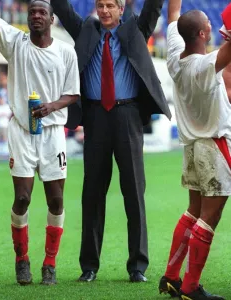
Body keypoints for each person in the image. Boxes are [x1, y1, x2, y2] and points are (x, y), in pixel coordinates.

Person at [51, 0, 171, 282]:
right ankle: (89, 266)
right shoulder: (85, 30)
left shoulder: (136, 30)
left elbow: (154, 6)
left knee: (133, 192)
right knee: (92, 193)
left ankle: (137, 267)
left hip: (128, 116)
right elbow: (60, 6)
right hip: (95, 118)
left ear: (121, 8)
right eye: (100, 5)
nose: (104, 10)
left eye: (110, 6)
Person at [0, 0, 80, 285]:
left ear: (52, 19)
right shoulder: (16, 42)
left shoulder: (66, 52)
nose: (35, 15)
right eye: (32, 11)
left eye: (41, 12)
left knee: (56, 200)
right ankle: (22, 260)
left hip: (53, 131)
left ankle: (50, 263)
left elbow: (73, 94)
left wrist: (51, 106)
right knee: (22, 198)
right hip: (22, 131)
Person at [158, 1, 231, 299]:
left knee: (193, 212)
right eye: (209, 26)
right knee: (209, 218)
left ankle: (172, 277)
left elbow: (173, 13)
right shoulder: (204, 65)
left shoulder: (175, 56)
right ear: (201, 34)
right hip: (214, 145)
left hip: (191, 146)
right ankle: (190, 286)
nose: (214, 28)